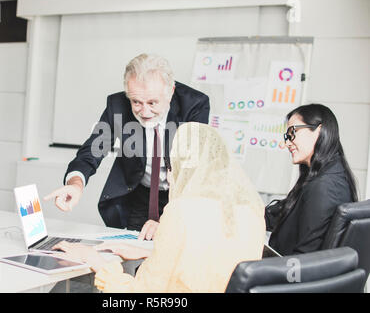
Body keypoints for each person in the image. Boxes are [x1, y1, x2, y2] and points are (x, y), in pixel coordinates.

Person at [51, 122, 266, 292]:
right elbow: (207, 265)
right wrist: (152, 254)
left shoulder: (182, 212)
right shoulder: (251, 212)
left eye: (172, 167)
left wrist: (95, 261)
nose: (169, 177)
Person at [45, 53, 210, 240]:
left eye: (152, 103)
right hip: (138, 196)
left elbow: (194, 167)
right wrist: (75, 185)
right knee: (135, 253)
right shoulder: (117, 105)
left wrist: (168, 218)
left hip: (180, 196)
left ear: (170, 91)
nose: (145, 112)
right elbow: (92, 150)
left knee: (174, 256)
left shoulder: (194, 105)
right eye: (136, 102)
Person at [265, 103, 358, 256]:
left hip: (290, 274)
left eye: (292, 132)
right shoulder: (326, 174)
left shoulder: (325, 187)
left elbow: (305, 257)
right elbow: (284, 212)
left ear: (319, 131)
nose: (287, 143)